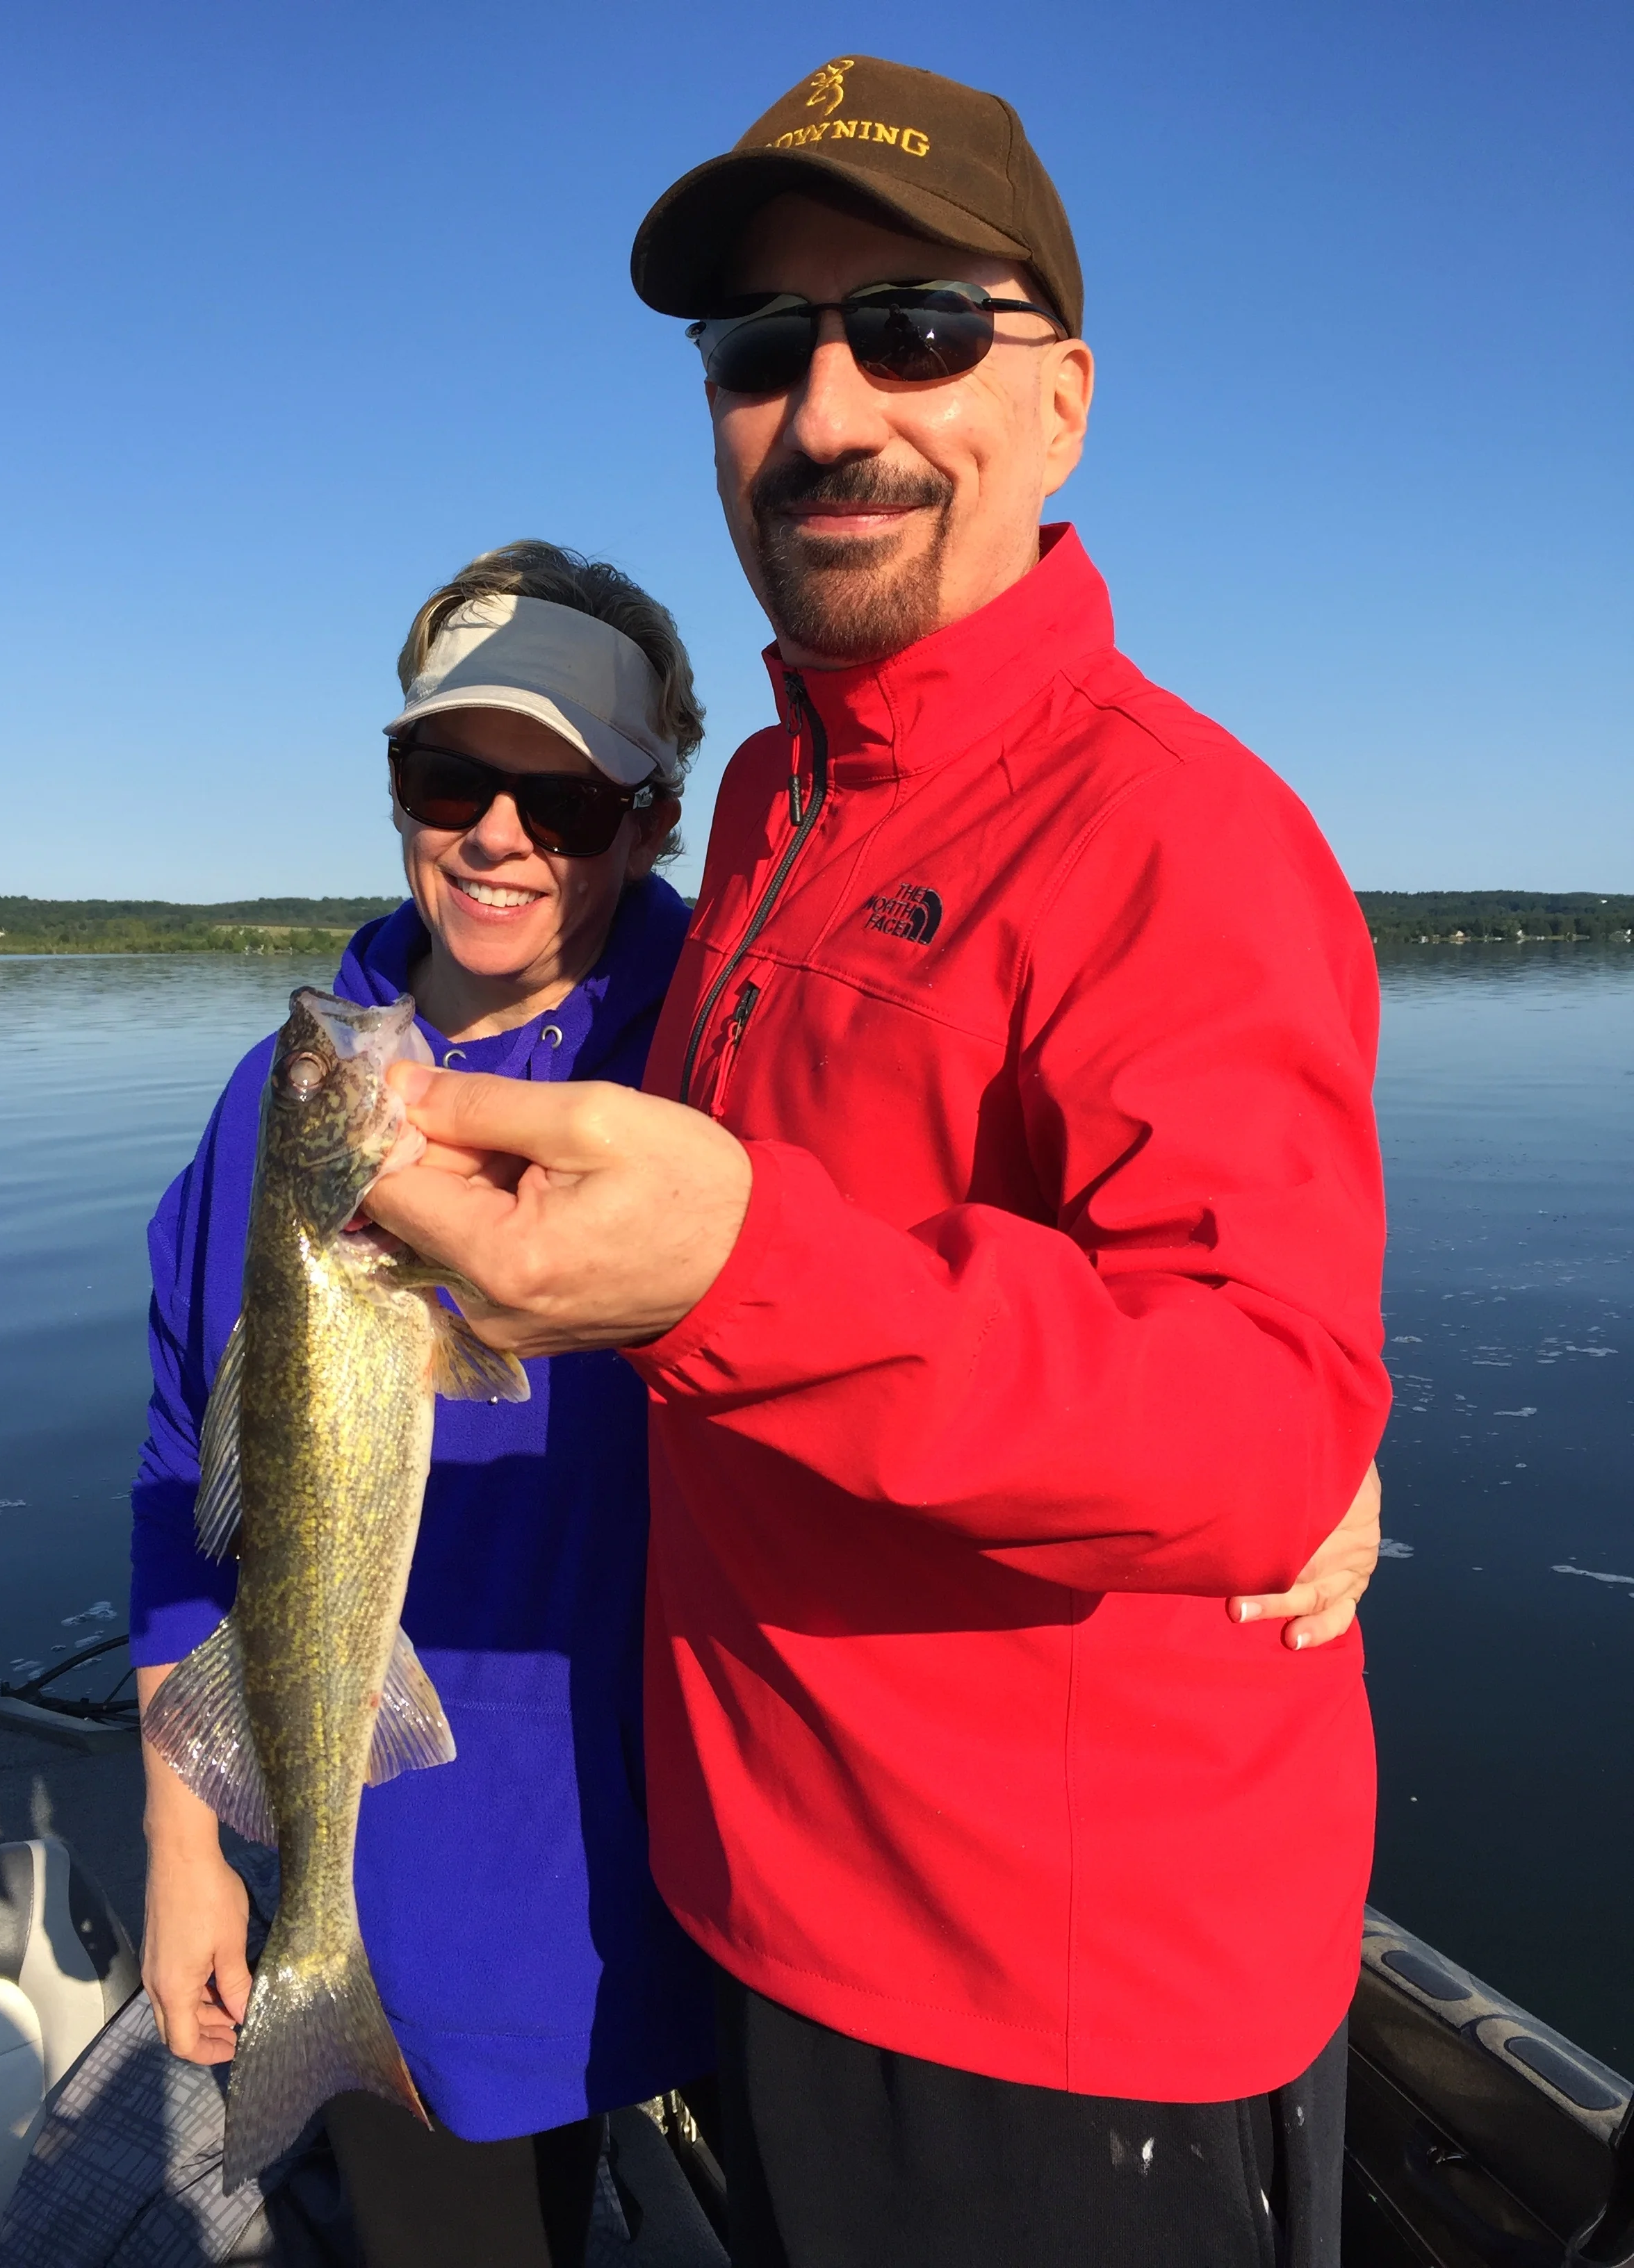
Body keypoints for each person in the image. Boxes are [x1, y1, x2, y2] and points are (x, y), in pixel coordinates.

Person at [364, 58, 1391, 2268]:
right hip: (759, 1904)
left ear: (1062, 403)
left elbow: (1267, 1417)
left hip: (1050, 2008)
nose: (828, 410)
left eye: (914, 329)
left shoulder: (1183, 836)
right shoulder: (766, 809)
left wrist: (731, 1277)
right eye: (761, 350)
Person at [129, 541, 716, 2268]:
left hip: (722, 1863)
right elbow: (180, 1462)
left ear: (654, 821)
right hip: (424, 1890)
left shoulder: (731, 1046)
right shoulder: (294, 1095)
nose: (496, 837)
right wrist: (183, 1837)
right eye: (450, 778)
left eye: (567, 802)